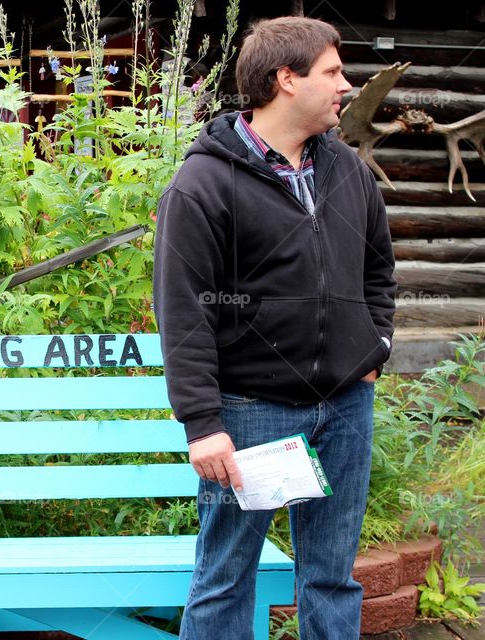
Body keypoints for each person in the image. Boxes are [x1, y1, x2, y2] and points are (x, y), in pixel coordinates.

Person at [152, 16, 397, 639]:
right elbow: (183, 310)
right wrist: (203, 423)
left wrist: (377, 347)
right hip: (250, 411)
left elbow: (378, 271)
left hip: (344, 406)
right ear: (286, 79)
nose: (346, 85)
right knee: (225, 579)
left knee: (332, 578)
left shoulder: (348, 172)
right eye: (333, 72)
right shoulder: (203, 183)